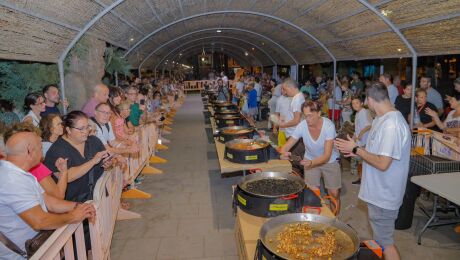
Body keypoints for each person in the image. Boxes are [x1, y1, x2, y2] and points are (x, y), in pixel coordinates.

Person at [335, 82, 411, 260]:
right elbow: (375, 153)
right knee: (380, 240)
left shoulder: (392, 124)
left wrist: (356, 149)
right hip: (377, 193)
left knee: (386, 243)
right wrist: (357, 152)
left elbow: (383, 163)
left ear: (370, 100)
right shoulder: (379, 119)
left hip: (385, 195)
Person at [0, 124, 95, 259]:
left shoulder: (20, 173)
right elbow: (39, 221)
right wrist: (73, 216)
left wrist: (77, 206)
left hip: (36, 248)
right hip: (22, 254)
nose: (42, 151)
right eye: (40, 147)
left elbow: (50, 201)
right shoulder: (12, 180)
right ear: (29, 151)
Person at [280, 101, 341, 212]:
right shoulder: (302, 126)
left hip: (329, 161)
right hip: (310, 159)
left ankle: (334, 219)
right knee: (313, 194)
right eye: (305, 116)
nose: (307, 119)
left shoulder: (328, 126)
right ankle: (316, 218)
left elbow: (327, 155)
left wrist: (312, 163)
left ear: (319, 113)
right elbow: (287, 145)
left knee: (334, 193)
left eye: (310, 116)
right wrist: (283, 152)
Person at [44, 111, 111, 202]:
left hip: (99, 197)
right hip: (73, 204)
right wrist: (93, 161)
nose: (86, 132)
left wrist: (109, 163)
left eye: (87, 127)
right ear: (68, 130)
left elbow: (107, 161)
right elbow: (67, 177)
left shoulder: (94, 141)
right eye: (81, 129)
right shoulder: (56, 150)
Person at [350, 96, 372, 185]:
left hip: (364, 141)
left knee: (362, 162)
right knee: (360, 161)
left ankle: (363, 180)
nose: (354, 105)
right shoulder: (358, 113)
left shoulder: (363, 112)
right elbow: (358, 128)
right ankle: (361, 179)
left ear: (362, 103)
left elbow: (369, 125)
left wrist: (360, 135)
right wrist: (354, 136)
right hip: (361, 141)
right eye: (353, 103)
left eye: (357, 103)